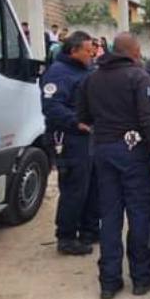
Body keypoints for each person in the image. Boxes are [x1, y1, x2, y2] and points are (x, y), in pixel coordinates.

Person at [77, 32, 150, 299]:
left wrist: (105, 132)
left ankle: (109, 282)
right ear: (133, 51)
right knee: (139, 215)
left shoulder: (91, 78)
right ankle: (141, 277)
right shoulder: (139, 77)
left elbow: (82, 118)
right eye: (139, 50)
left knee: (110, 217)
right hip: (133, 154)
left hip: (103, 152)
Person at [40, 31, 99, 255]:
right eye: (88, 49)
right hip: (70, 138)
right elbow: (52, 107)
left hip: (91, 138)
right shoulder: (58, 73)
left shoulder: (86, 70)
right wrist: (77, 123)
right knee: (75, 189)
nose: (92, 52)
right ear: (74, 50)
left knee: (94, 187)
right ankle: (66, 237)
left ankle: (90, 230)